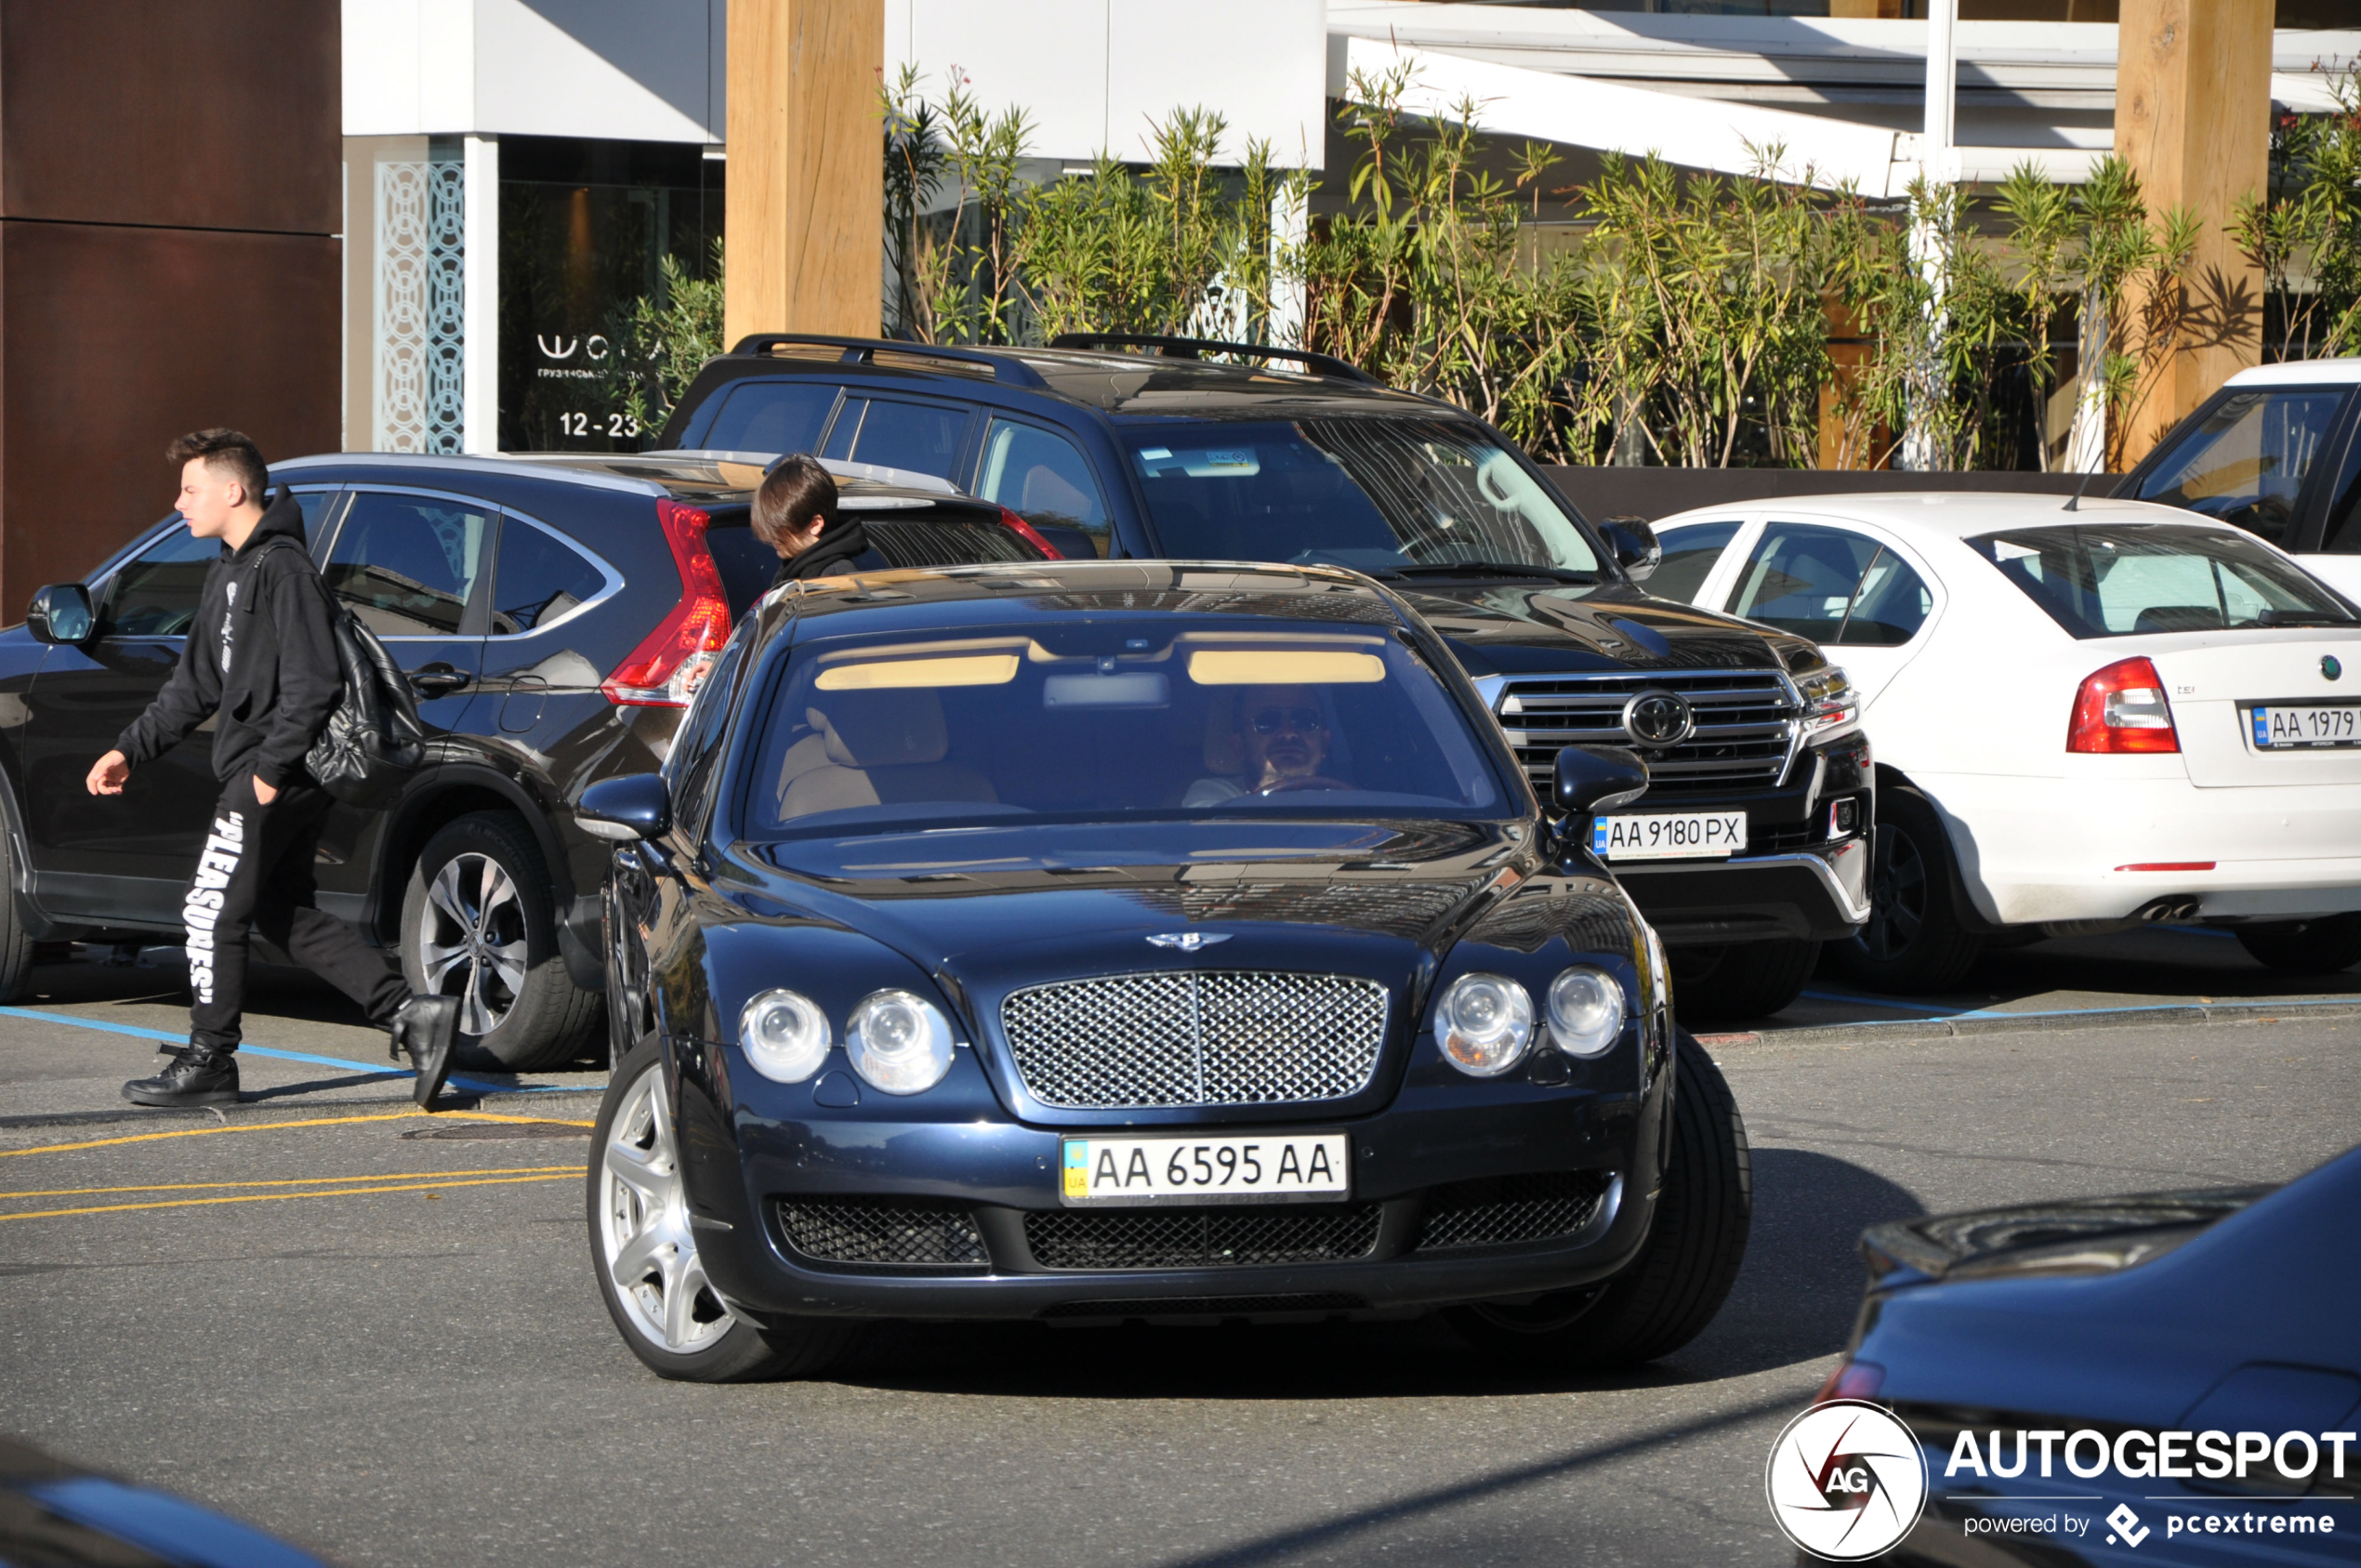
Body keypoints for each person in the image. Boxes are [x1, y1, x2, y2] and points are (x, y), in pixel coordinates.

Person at [90, 429, 460, 1110]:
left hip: (276, 772)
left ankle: (209, 1058)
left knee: (209, 909)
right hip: (266, 768)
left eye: (190, 489)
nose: (178, 504)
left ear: (233, 491)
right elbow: (195, 685)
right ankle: (413, 1013)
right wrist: (129, 747)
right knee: (276, 908)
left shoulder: (284, 569)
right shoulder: (229, 570)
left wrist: (267, 770)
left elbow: (315, 682)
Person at [1183, 685, 1351, 805]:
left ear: (1325, 743)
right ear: (1239, 746)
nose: (1288, 732)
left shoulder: (1357, 805)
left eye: (1305, 719)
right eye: (1267, 721)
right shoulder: (1214, 796)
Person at [755, 454, 884, 585]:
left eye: (779, 527)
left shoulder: (836, 580)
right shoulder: (793, 568)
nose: (772, 537)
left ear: (815, 525)